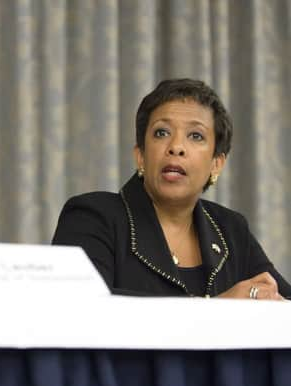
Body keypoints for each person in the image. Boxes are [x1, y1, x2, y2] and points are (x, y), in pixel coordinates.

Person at [52, 78, 290, 299]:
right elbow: (82, 319)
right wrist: (220, 310)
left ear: (216, 163)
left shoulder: (231, 230)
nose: (176, 146)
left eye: (195, 136)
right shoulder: (92, 217)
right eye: (162, 132)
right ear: (141, 156)